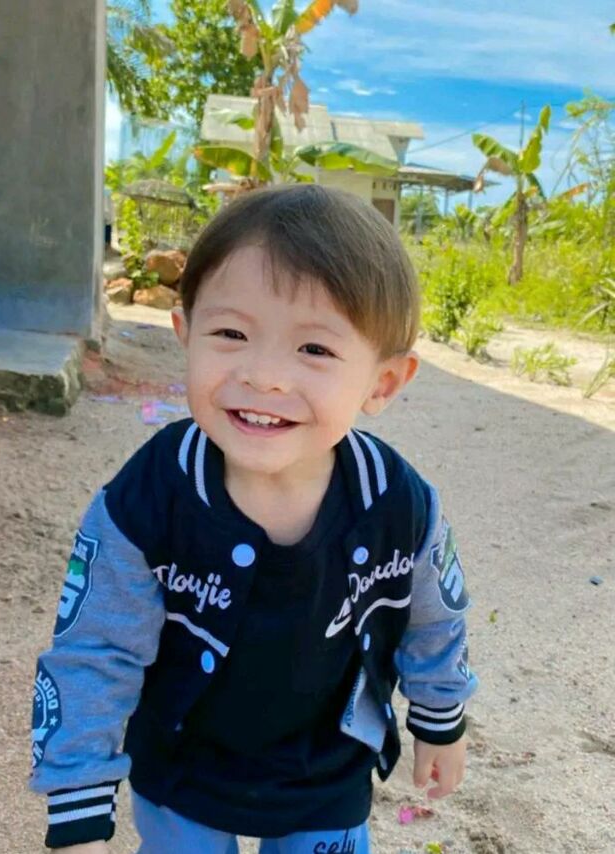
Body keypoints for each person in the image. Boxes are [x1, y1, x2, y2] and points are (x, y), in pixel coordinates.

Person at [30, 185, 477, 854]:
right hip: (181, 766)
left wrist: (441, 717)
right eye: (231, 334)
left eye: (315, 350)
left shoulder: (398, 504)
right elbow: (96, 647)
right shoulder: (148, 496)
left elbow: (435, 616)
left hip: (326, 771)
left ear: (382, 383)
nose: (264, 376)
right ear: (185, 335)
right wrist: (77, 798)